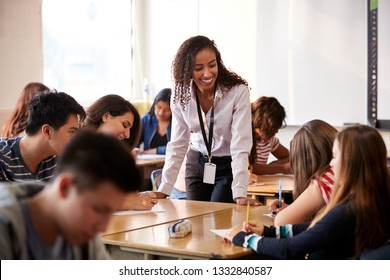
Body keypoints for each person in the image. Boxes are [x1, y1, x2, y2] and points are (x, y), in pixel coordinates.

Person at [225, 125, 390, 259]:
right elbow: (317, 228)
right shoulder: (374, 200)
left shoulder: (346, 211)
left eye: (335, 156)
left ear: (350, 163)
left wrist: (243, 238)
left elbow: (289, 249)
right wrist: (267, 232)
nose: (331, 164)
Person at [0, 130, 142, 259]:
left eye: (111, 213)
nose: (103, 227)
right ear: (65, 187)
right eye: (99, 209)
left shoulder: (81, 233)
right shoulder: (5, 227)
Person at [150, 35, 259, 205]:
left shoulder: (237, 92)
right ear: (187, 70)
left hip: (226, 165)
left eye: (212, 65)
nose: (207, 73)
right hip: (196, 162)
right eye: (199, 68)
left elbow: (240, 145)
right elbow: (178, 144)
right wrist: (163, 190)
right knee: (196, 221)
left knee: (219, 217)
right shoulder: (180, 94)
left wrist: (240, 192)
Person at [83, 94, 156, 210]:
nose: (127, 135)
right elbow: (82, 200)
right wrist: (129, 203)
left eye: (130, 130)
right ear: (106, 116)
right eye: (125, 125)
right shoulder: (79, 149)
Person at [0, 90, 86, 182]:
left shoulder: (58, 158)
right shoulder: (3, 157)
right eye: (72, 131)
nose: (76, 139)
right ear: (47, 131)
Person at [249, 96, 291, 175]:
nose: (276, 131)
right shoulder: (244, 140)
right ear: (259, 126)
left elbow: (289, 157)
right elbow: (249, 168)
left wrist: (271, 167)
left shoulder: (270, 141)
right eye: (272, 129)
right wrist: (282, 168)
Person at [134, 88, 172, 155]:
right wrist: (134, 150)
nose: (161, 113)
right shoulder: (145, 120)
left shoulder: (177, 124)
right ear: (154, 104)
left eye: (166, 110)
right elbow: (134, 142)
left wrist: (154, 151)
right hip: (149, 163)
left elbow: (177, 148)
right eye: (159, 107)